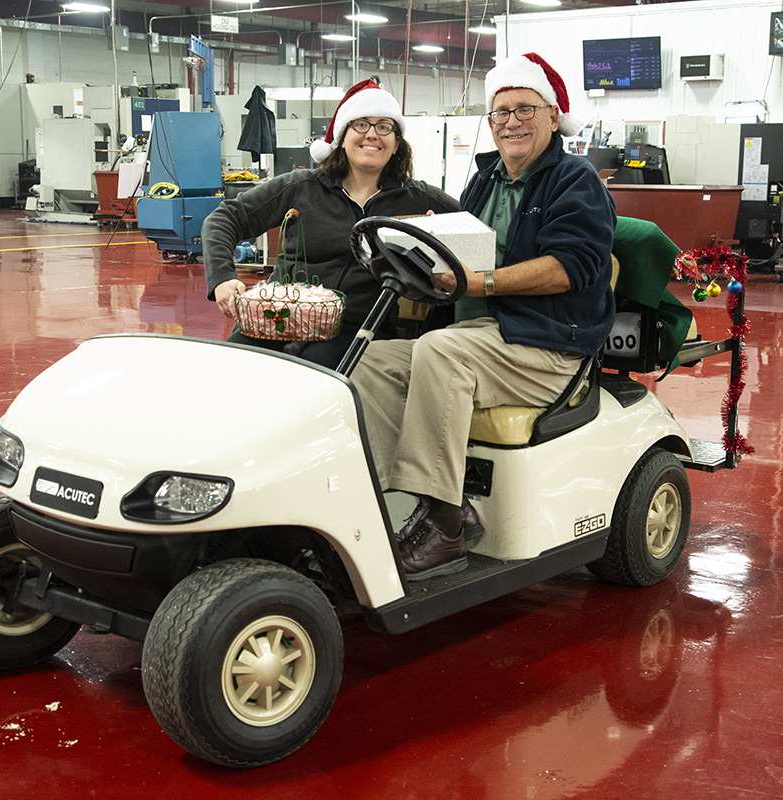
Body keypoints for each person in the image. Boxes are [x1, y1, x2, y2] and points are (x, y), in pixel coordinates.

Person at [350, 53, 618, 581]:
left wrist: (480, 283)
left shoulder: (574, 179)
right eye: (500, 113)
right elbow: (465, 251)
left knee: (441, 352)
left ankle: (446, 525)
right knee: (371, 362)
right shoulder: (486, 179)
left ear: (551, 115)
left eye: (525, 109)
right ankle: (391, 504)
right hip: (487, 338)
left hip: (549, 346)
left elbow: (572, 267)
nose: (511, 121)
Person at [201, 79, 458, 368]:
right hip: (277, 316)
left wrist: (447, 233)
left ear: (397, 143)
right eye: (361, 124)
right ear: (342, 137)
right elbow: (224, 218)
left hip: (357, 326)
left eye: (385, 126)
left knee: (318, 377)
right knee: (233, 366)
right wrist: (222, 276)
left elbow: (476, 229)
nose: (372, 135)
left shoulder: (418, 199)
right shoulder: (301, 187)